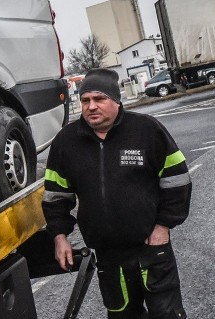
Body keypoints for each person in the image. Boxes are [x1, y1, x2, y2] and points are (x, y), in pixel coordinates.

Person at [43, 68, 191, 319]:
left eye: (99, 99)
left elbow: (177, 180)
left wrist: (163, 226)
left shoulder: (146, 130)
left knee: (167, 314)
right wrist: (60, 236)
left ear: (116, 100)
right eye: (85, 100)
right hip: (109, 256)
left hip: (151, 249)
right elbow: (56, 194)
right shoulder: (66, 142)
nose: (91, 106)